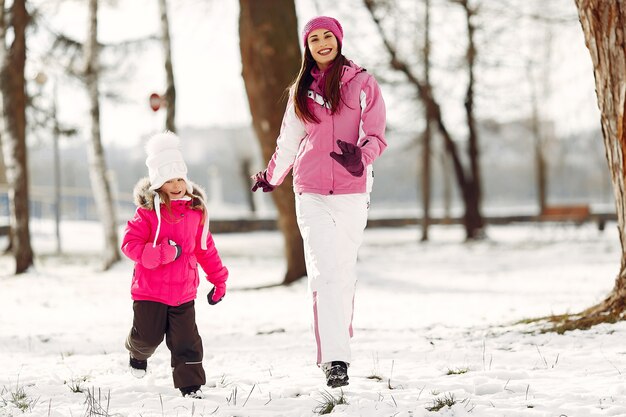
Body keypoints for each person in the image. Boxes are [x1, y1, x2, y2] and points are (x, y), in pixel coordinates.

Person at [251, 16, 387, 388]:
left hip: (352, 192)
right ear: (307, 47)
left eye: (328, 36)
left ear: (339, 40)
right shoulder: (300, 90)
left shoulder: (363, 83)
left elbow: (375, 135)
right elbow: (288, 141)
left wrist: (361, 157)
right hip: (310, 192)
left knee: (342, 274)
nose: (322, 43)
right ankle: (335, 360)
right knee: (324, 274)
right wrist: (272, 176)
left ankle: (337, 340)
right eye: (314, 39)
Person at [121, 131, 229, 398]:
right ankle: (136, 351)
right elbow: (129, 244)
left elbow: (206, 248)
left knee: (187, 343)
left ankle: (191, 386)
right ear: (158, 183)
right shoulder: (146, 213)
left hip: (183, 293)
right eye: (169, 180)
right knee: (148, 338)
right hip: (150, 291)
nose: (177, 184)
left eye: (180, 177)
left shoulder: (195, 212)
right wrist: (157, 254)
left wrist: (219, 279)